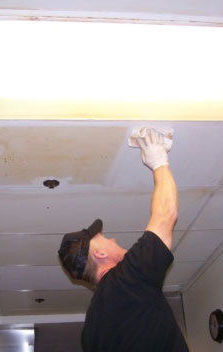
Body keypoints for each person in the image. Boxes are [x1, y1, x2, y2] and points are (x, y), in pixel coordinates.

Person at [58, 128, 189, 352]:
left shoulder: (90, 332)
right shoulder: (126, 281)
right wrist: (159, 161)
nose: (114, 239)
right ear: (100, 254)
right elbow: (166, 214)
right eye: (105, 238)